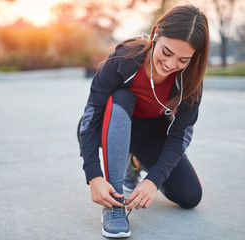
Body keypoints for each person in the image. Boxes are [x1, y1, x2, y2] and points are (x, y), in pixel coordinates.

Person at [77, 4, 210, 238]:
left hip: (148, 134)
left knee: (190, 196)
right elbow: (90, 118)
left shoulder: (190, 82)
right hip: (110, 125)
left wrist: (153, 180)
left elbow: (180, 137)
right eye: (167, 52)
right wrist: (94, 175)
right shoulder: (122, 60)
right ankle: (115, 204)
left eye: (183, 59)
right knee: (122, 95)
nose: (170, 64)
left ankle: (135, 162)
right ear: (156, 33)